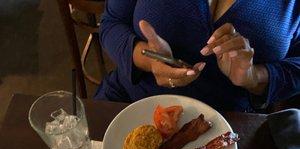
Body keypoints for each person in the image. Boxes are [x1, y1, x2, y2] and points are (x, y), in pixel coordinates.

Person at [95, 1, 300, 112]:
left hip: (229, 130)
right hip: (129, 103)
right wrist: (147, 60)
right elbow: (111, 23)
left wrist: (254, 77)